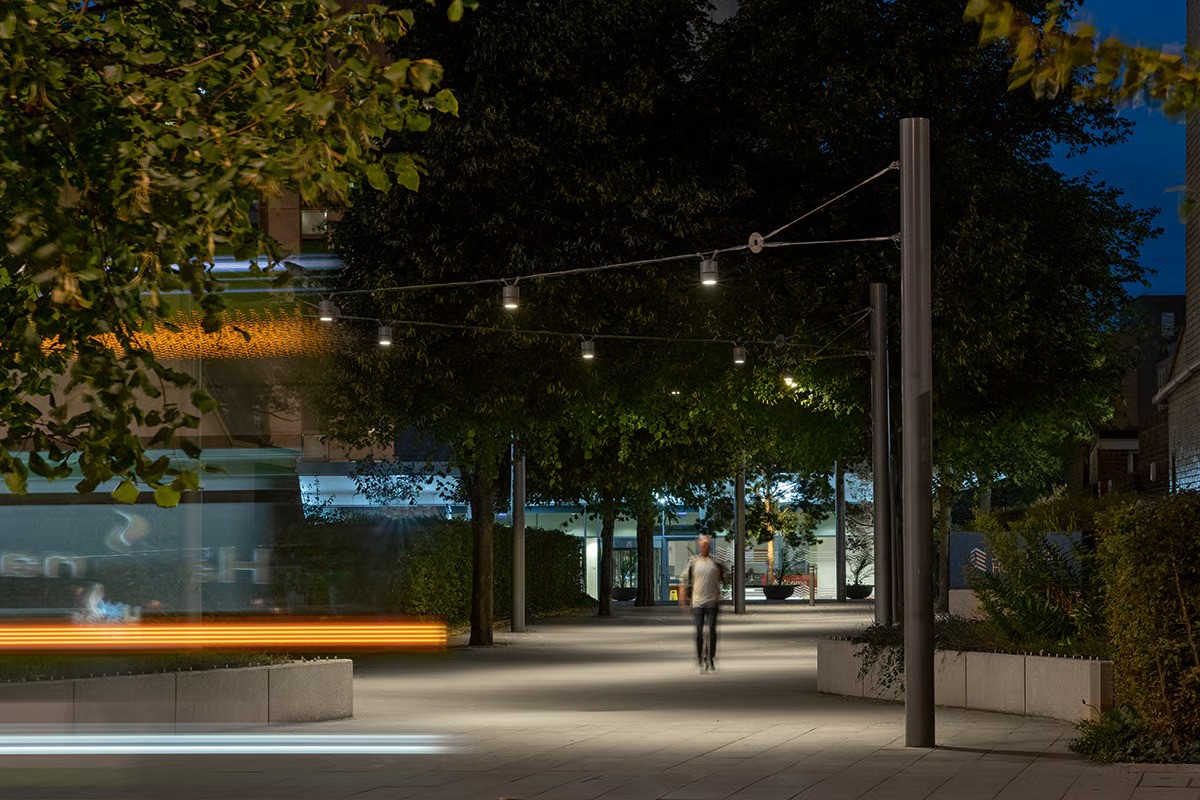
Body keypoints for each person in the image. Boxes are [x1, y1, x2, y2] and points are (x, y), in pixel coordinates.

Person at [680, 535, 726, 672]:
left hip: (712, 600)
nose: (705, 546)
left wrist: (720, 594)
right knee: (699, 631)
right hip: (698, 601)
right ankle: (700, 657)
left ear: (710, 546)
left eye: (707, 544)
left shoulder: (716, 562)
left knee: (712, 630)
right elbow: (684, 580)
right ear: (699, 546)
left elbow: (725, 578)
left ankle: (710, 658)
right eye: (702, 544)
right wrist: (683, 598)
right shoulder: (693, 562)